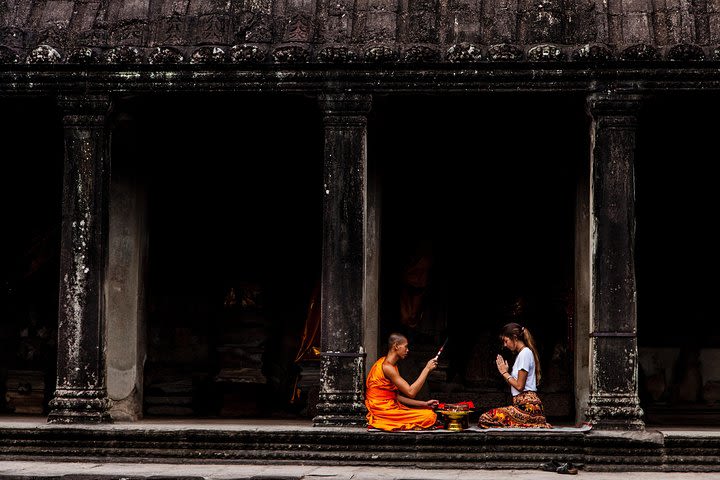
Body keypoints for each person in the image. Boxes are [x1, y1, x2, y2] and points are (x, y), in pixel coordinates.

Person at [477, 322, 552, 428]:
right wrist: (505, 374)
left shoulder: (525, 353)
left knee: (485, 418)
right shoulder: (522, 354)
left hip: (527, 408)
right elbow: (517, 385)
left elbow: (520, 386)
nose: (505, 345)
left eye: (506, 341)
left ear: (515, 337)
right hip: (523, 406)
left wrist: (505, 372)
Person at [365, 333, 440, 431]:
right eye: (406, 347)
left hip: (389, 406)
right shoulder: (387, 367)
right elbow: (411, 392)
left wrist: (424, 404)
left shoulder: (390, 365)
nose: (407, 350)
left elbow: (395, 396)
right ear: (396, 346)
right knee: (429, 416)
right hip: (382, 410)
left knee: (427, 412)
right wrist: (427, 369)